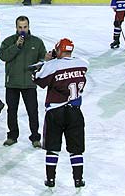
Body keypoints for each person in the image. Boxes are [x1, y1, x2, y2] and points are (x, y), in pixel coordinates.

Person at [33, 38, 88, 188]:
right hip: (75, 111)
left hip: (55, 111)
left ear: (57, 50)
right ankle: (78, 179)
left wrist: (47, 61)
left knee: (52, 147)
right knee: (76, 149)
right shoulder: (83, 63)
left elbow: (38, 79)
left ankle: (50, 180)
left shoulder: (53, 65)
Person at [0, 15, 46, 147]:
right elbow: (3, 56)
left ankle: (35, 137)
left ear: (29, 27)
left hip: (29, 84)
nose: (22, 30)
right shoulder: (9, 41)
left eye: (25, 27)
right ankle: (12, 136)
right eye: (20, 27)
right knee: (11, 111)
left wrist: (39, 65)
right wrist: (16, 46)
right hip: (12, 83)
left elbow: (43, 58)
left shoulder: (37, 42)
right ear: (16, 27)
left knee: (32, 111)